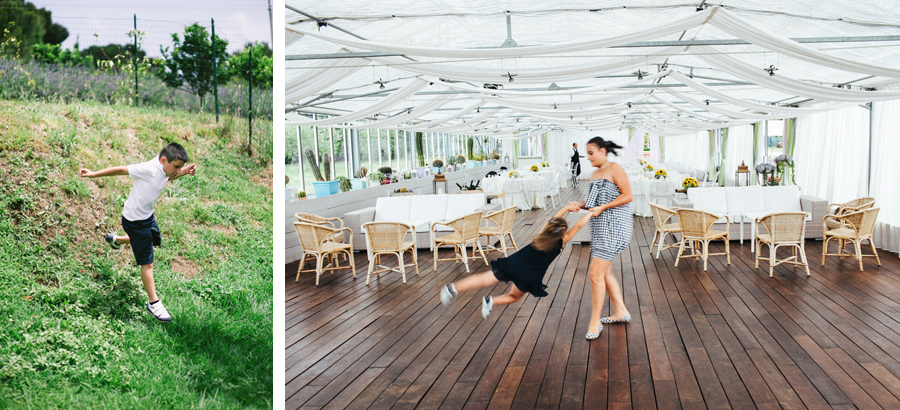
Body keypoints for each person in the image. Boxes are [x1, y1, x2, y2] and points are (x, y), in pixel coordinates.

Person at [79, 143, 197, 322]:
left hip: (147, 217)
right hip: (135, 221)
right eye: (176, 167)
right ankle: (153, 303)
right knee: (147, 263)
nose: (177, 171)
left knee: (152, 241)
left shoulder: (164, 170)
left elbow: (168, 177)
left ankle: (117, 240)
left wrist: (185, 171)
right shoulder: (148, 169)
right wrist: (93, 174)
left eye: (179, 168)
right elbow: (121, 170)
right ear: (164, 160)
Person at [439, 206, 599, 319]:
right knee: (514, 297)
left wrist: (566, 208)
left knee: (484, 279)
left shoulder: (542, 235)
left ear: (549, 227)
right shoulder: (561, 241)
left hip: (513, 264)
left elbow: (553, 219)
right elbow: (578, 226)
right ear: (562, 232)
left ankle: (452, 288)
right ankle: (491, 301)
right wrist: (591, 213)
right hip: (527, 275)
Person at [568, 136, 633, 340]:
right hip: (599, 228)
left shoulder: (614, 169)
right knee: (605, 274)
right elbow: (591, 202)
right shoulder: (594, 174)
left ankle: (595, 321)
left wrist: (604, 207)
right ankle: (621, 311)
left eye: (591, 153)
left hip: (614, 227)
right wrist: (579, 204)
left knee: (595, 274)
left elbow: (628, 196)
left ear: (602, 151)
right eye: (587, 153)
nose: (588, 157)